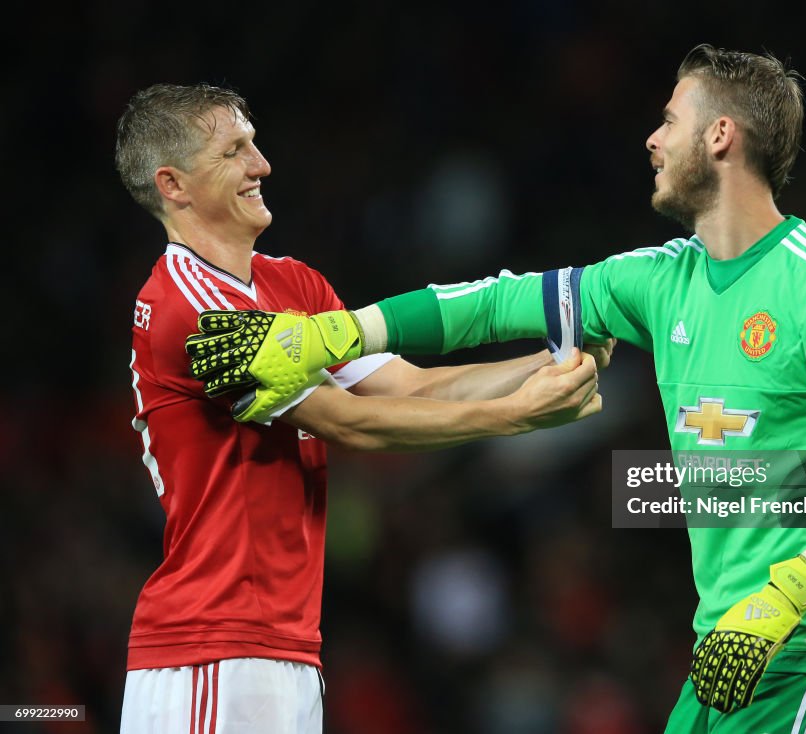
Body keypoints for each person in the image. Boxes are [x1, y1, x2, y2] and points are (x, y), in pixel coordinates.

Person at [187, 45, 806, 733]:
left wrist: (786, 593)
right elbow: (494, 302)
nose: (652, 140)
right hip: (723, 653)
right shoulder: (659, 280)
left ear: (721, 137)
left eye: (669, 120)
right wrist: (337, 334)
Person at [116, 82, 606, 734]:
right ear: (172, 185)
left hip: (285, 647)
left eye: (254, 144)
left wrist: (557, 366)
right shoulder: (187, 305)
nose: (261, 165)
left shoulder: (293, 283)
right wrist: (517, 416)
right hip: (210, 647)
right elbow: (349, 422)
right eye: (234, 151)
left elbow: (415, 388)